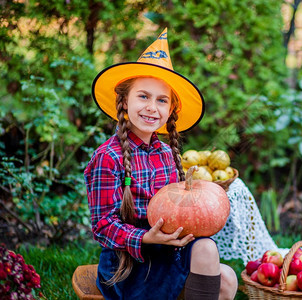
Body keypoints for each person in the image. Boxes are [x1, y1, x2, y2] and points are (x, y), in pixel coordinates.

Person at [84, 28, 238, 300]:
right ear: (124, 101)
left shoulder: (167, 153)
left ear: (170, 111)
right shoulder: (108, 157)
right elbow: (103, 226)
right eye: (143, 96)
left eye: (161, 100)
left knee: (223, 273)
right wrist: (146, 238)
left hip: (167, 250)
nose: (152, 108)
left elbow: (178, 212)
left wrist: (204, 209)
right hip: (128, 263)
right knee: (219, 277)